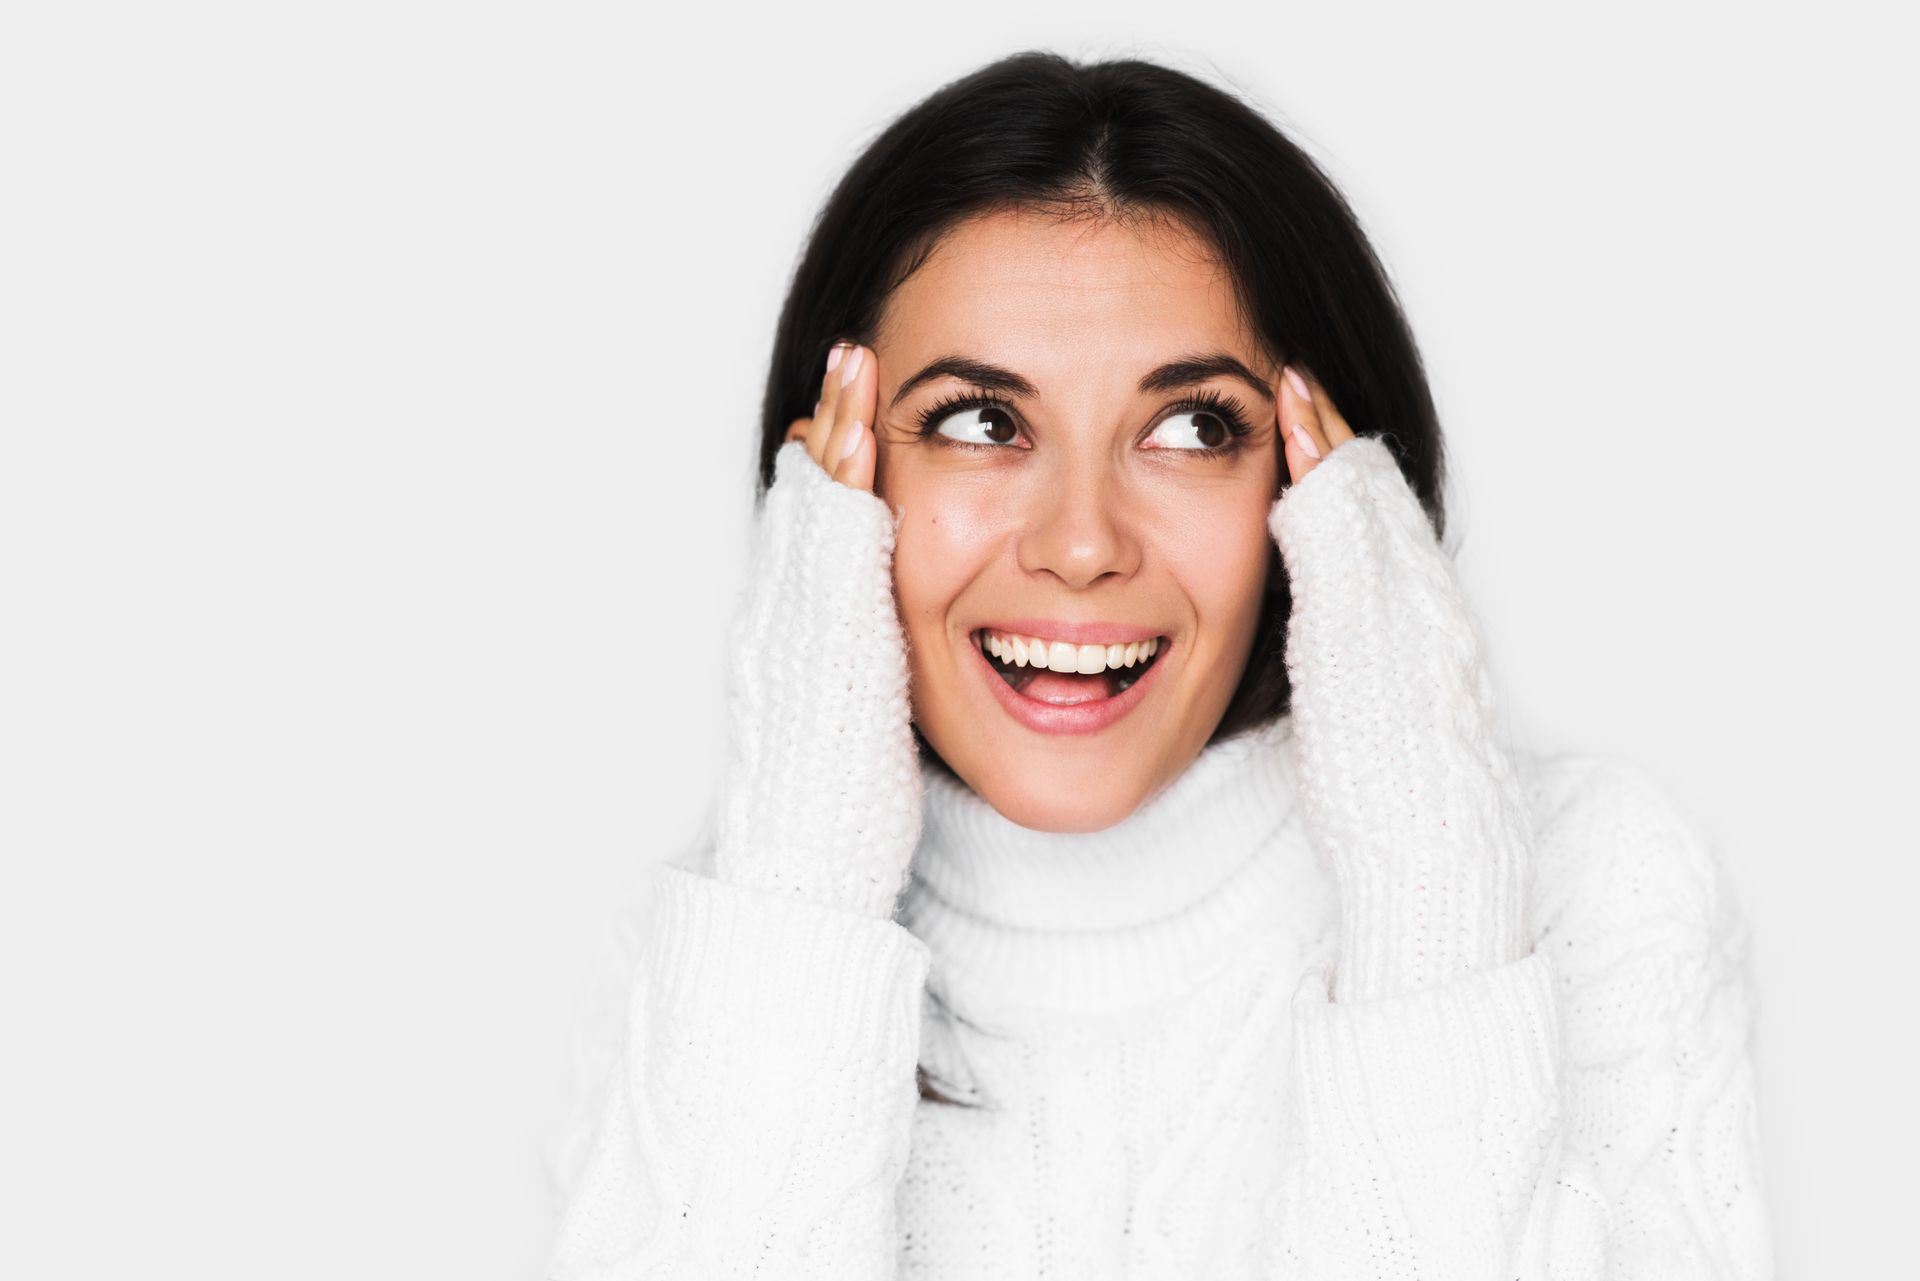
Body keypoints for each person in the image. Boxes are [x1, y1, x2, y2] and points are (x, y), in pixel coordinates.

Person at [541, 50, 1774, 1279]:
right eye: (980, 422)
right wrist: (800, 881)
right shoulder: (713, 956)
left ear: (1316, 488)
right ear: (842, 480)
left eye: (1194, 429)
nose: (1081, 544)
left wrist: (1431, 902)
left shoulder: (1593, 891)